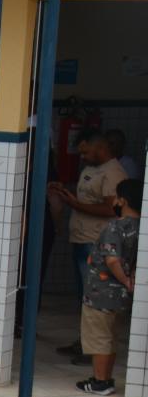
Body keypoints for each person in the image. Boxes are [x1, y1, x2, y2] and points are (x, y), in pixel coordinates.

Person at [49, 132, 128, 363]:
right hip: (82, 240)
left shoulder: (113, 172)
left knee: (94, 298)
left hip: (96, 242)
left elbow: (111, 209)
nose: (81, 156)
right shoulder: (92, 169)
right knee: (84, 297)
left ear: (101, 147)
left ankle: (93, 351)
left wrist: (74, 204)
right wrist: (66, 193)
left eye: (85, 151)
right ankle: (84, 342)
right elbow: (89, 198)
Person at [75, 178, 142, 395]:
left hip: (102, 292)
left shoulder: (116, 226)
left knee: (99, 338)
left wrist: (124, 280)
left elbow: (112, 260)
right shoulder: (141, 226)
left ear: (122, 200)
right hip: (121, 296)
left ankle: (100, 381)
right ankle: (106, 379)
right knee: (111, 338)